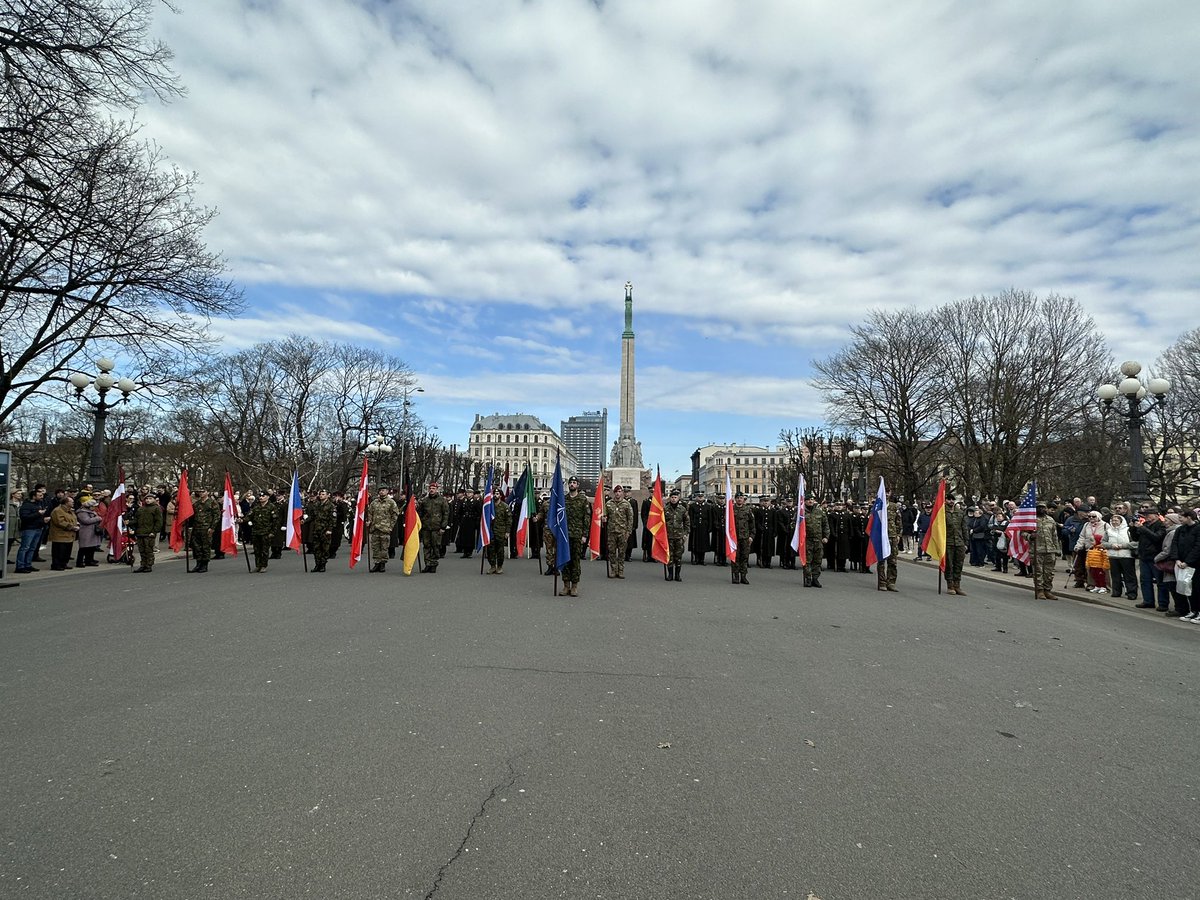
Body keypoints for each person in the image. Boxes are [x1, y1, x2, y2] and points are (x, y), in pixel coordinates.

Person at [1130, 508, 1168, 610]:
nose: (1146, 516)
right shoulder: (1145, 525)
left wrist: (1142, 528)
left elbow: (1156, 537)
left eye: (1148, 514)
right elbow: (1135, 538)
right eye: (1144, 515)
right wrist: (1133, 528)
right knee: (1145, 580)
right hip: (1144, 556)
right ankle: (1148, 601)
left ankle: (1163, 603)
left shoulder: (1161, 525)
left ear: (1156, 515)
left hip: (1155, 557)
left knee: (1160, 582)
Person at [561, 476, 591, 596]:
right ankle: (565, 585)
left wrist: (585, 535)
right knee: (565, 560)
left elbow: (586, 518)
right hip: (565, 535)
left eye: (574, 483)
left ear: (578, 485)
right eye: (570, 483)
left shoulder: (583, 500)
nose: (572, 484)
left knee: (575, 561)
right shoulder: (564, 499)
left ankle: (574, 586)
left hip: (577, 534)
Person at [1023, 503, 1060, 600]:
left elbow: (1054, 535)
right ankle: (1040, 590)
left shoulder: (1050, 520)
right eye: (1039, 507)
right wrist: (1030, 536)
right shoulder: (1031, 520)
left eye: (1043, 507)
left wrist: (1057, 549)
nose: (1041, 509)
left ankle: (1047, 590)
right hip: (1037, 550)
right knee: (1038, 571)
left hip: (1050, 549)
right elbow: (1023, 533)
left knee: (1049, 572)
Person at [1101, 513, 1137, 601]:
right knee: (1115, 575)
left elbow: (1136, 542)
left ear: (1121, 521)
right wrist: (1111, 545)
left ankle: (1131, 592)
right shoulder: (1108, 531)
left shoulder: (1128, 530)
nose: (1114, 522)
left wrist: (1123, 545)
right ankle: (1116, 591)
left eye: (1116, 520)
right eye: (1112, 520)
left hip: (1126, 556)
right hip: (1113, 555)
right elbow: (1103, 542)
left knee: (1129, 576)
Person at [15, 486, 50, 573]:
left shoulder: (39, 504)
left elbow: (38, 516)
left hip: (38, 528)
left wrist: (43, 520)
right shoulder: (26, 505)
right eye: (40, 495)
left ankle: (28, 564)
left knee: (32, 548)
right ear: (34, 496)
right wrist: (38, 513)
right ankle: (20, 566)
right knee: (25, 547)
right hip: (29, 529)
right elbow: (25, 517)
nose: (42, 497)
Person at [418, 481, 450, 573]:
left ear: (437, 489)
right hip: (426, 527)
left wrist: (443, 527)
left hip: (437, 527)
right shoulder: (425, 501)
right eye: (430, 488)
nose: (431, 490)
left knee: (435, 546)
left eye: (433, 488)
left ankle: (434, 563)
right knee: (426, 546)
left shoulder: (442, 500)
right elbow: (420, 513)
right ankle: (427, 564)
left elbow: (446, 514)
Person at [365, 488, 400, 572]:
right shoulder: (374, 502)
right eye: (380, 490)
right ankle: (376, 563)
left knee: (384, 548)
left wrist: (390, 527)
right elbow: (370, 513)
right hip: (375, 528)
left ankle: (382, 564)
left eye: (383, 490)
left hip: (385, 528)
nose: (381, 491)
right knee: (375, 547)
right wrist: (369, 521)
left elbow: (395, 515)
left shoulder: (391, 502)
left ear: (387, 491)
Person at [604, 485, 634, 579]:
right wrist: (603, 518)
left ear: (622, 493)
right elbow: (604, 515)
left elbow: (630, 518)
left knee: (622, 553)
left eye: (620, 491)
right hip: (611, 532)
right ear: (614, 493)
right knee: (612, 552)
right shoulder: (608, 504)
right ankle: (613, 570)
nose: (618, 493)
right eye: (616, 492)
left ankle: (620, 570)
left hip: (622, 532)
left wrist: (628, 531)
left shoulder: (626, 504)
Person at [243, 492, 279, 573]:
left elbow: (275, 521)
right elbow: (249, 516)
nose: (261, 497)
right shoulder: (256, 507)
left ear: (268, 497)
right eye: (260, 496)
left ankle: (263, 565)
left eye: (263, 496)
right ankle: (258, 565)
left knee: (264, 550)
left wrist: (272, 532)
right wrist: (242, 520)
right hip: (256, 531)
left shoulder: (272, 507)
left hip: (266, 532)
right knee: (257, 550)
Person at [190, 488, 220, 573]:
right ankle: (198, 563)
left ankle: (204, 564)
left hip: (206, 528)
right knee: (197, 547)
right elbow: (192, 515)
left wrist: (212, 527)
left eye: (203, 492)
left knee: (205, 547)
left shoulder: (212, 503)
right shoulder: (196, 504)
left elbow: (217, 516)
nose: (201, 493)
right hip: (197, 528)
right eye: (199, 492)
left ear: (207, 492)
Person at [662, 487, 689, 582]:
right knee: (669, 556)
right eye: (672, 497)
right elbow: (661, 523)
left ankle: (677, 575)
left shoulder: (682, 509)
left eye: (675, 497)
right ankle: (670, 574)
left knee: (678, 557)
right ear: (670, 498)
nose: (673, 499)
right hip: (668, 537)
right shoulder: (665, 509)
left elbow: (687, 522)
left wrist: (685, 534)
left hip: (679, 537)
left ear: (678, 498)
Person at [306, 488, 336, 572]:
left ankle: (323, 564)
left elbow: (333, 519)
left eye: (323, 494)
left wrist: (330, 529)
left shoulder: (331, 506)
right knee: (316, 548)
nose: (321, 496)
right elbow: (312, 516)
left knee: (325, 548)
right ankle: (317, 564)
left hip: (325, 530)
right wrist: (304, 521)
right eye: (320, 494)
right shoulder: (316, 505)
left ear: (327, 495)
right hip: (316, 530)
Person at [943, 496, 969, 595]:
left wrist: (966, 543)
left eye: (953, 499)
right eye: (949, 499)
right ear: (945, 500)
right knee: (949, 564)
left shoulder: (960, 512)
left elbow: (964, 528)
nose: (951, 501)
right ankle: (950, 585)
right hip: (947, 542)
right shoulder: (941, 512)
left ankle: (957, 585)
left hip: (959, 542)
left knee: (959, 564)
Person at [132, 494, 164, 572]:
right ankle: (143, 564)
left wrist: (154, 531)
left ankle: (149, 565)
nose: (148, 500)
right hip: (140, 533)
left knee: (148, 550)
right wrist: (129, 523)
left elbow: (159, 522)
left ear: (154, 499)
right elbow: (136, 520)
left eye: (150, 498)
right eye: (146, 499)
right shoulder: (141, 509)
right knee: (142, 550)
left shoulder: (156, 508)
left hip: (149, 533)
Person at [730, 491, 756, 585]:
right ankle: (735, 576)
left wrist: (751, 536)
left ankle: (743, 576)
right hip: (734, 538)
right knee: (735, 558)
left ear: (743, 499)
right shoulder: (731, 509)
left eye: (741, 498)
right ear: (735, 499)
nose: (739, 499)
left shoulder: (748, 510)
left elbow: (752, 525)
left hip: (745, 537)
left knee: (744, 557)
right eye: (738, 498)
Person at [876, 498, 902, 592]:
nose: (886, 494)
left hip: (892, 536)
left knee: (893, 561)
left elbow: (898, 521)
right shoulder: (878, 506)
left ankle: (891, 582)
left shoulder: (894, 507)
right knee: (881, 561)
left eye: (888, 492)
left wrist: (898, 534)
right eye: (885, 491)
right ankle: (882, 582)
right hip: (882, 537)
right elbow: (874, 522)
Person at [48, 495, 79, 570]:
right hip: (60, 536)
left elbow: (73, 519)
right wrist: (71, 527)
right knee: (59, 552)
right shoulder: (57, 511)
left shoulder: (70, 511)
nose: (73, 502)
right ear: (66, 502)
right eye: (71, 501)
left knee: (66, 552)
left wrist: (76, 524)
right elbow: (60, 522)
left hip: (69, 536)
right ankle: (56, 565)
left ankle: (64, 563)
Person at [486, 486, 511, 574]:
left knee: (500, 550)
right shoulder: (490, 506)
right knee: (490, 550)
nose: (495, 496)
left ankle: (499, 566)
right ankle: (492, 566)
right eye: (494, 494)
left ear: (500, 495)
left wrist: (507, 531)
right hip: (491, 531)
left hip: (501, 531)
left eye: (497, 494)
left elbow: (509, 520)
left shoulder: (505, 506)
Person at [803, 497, 828, 587]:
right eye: (808, 500)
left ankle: (815, 578)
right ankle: (808, 578)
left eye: (812, 499)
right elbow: (794, 524)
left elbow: (825, 525)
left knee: (817, 561)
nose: (810, 501)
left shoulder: (820, 512)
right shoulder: (801, 512)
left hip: (818, 540)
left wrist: (826, 537)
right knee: (807, 561)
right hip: (807, 540)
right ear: (805, 501)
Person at [75, 499, 104, 567]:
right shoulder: (82, 512)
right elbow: (86, 521)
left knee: (91, 547)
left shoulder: (92, 511)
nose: (95, 508)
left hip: (92, 531)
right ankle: (80, 562)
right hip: (85, 532)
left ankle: (89, 560)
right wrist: (97, 518)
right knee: (84, 548)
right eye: (94, 506)